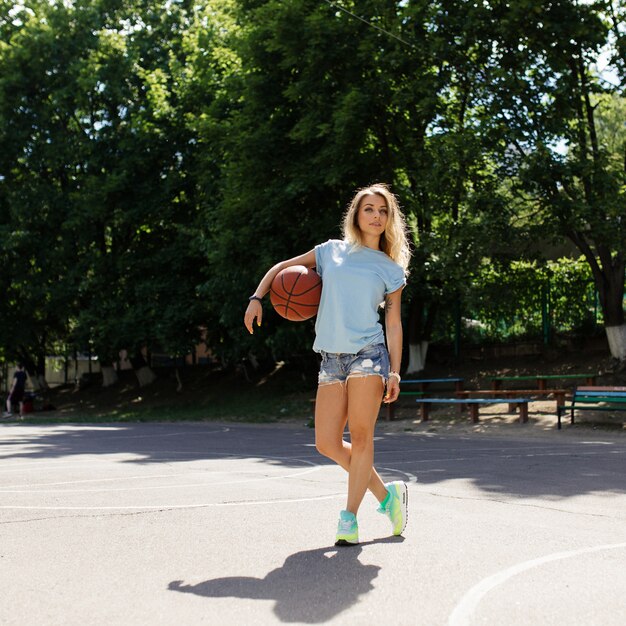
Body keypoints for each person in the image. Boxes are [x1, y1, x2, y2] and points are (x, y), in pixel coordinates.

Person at [244, 183, 411, 545]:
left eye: (383, 210)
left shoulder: (390, 269)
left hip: (368, 353)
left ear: (389, 218)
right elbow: (282, 268)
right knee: (326, 443)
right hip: (331, 358)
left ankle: (348, 519)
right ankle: (388, 497)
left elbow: (393, 323)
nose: (376, 216)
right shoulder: (330, 252)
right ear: (356, 214)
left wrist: (395, 370)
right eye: (369, 209)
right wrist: (258, 297)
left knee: (362, 436)